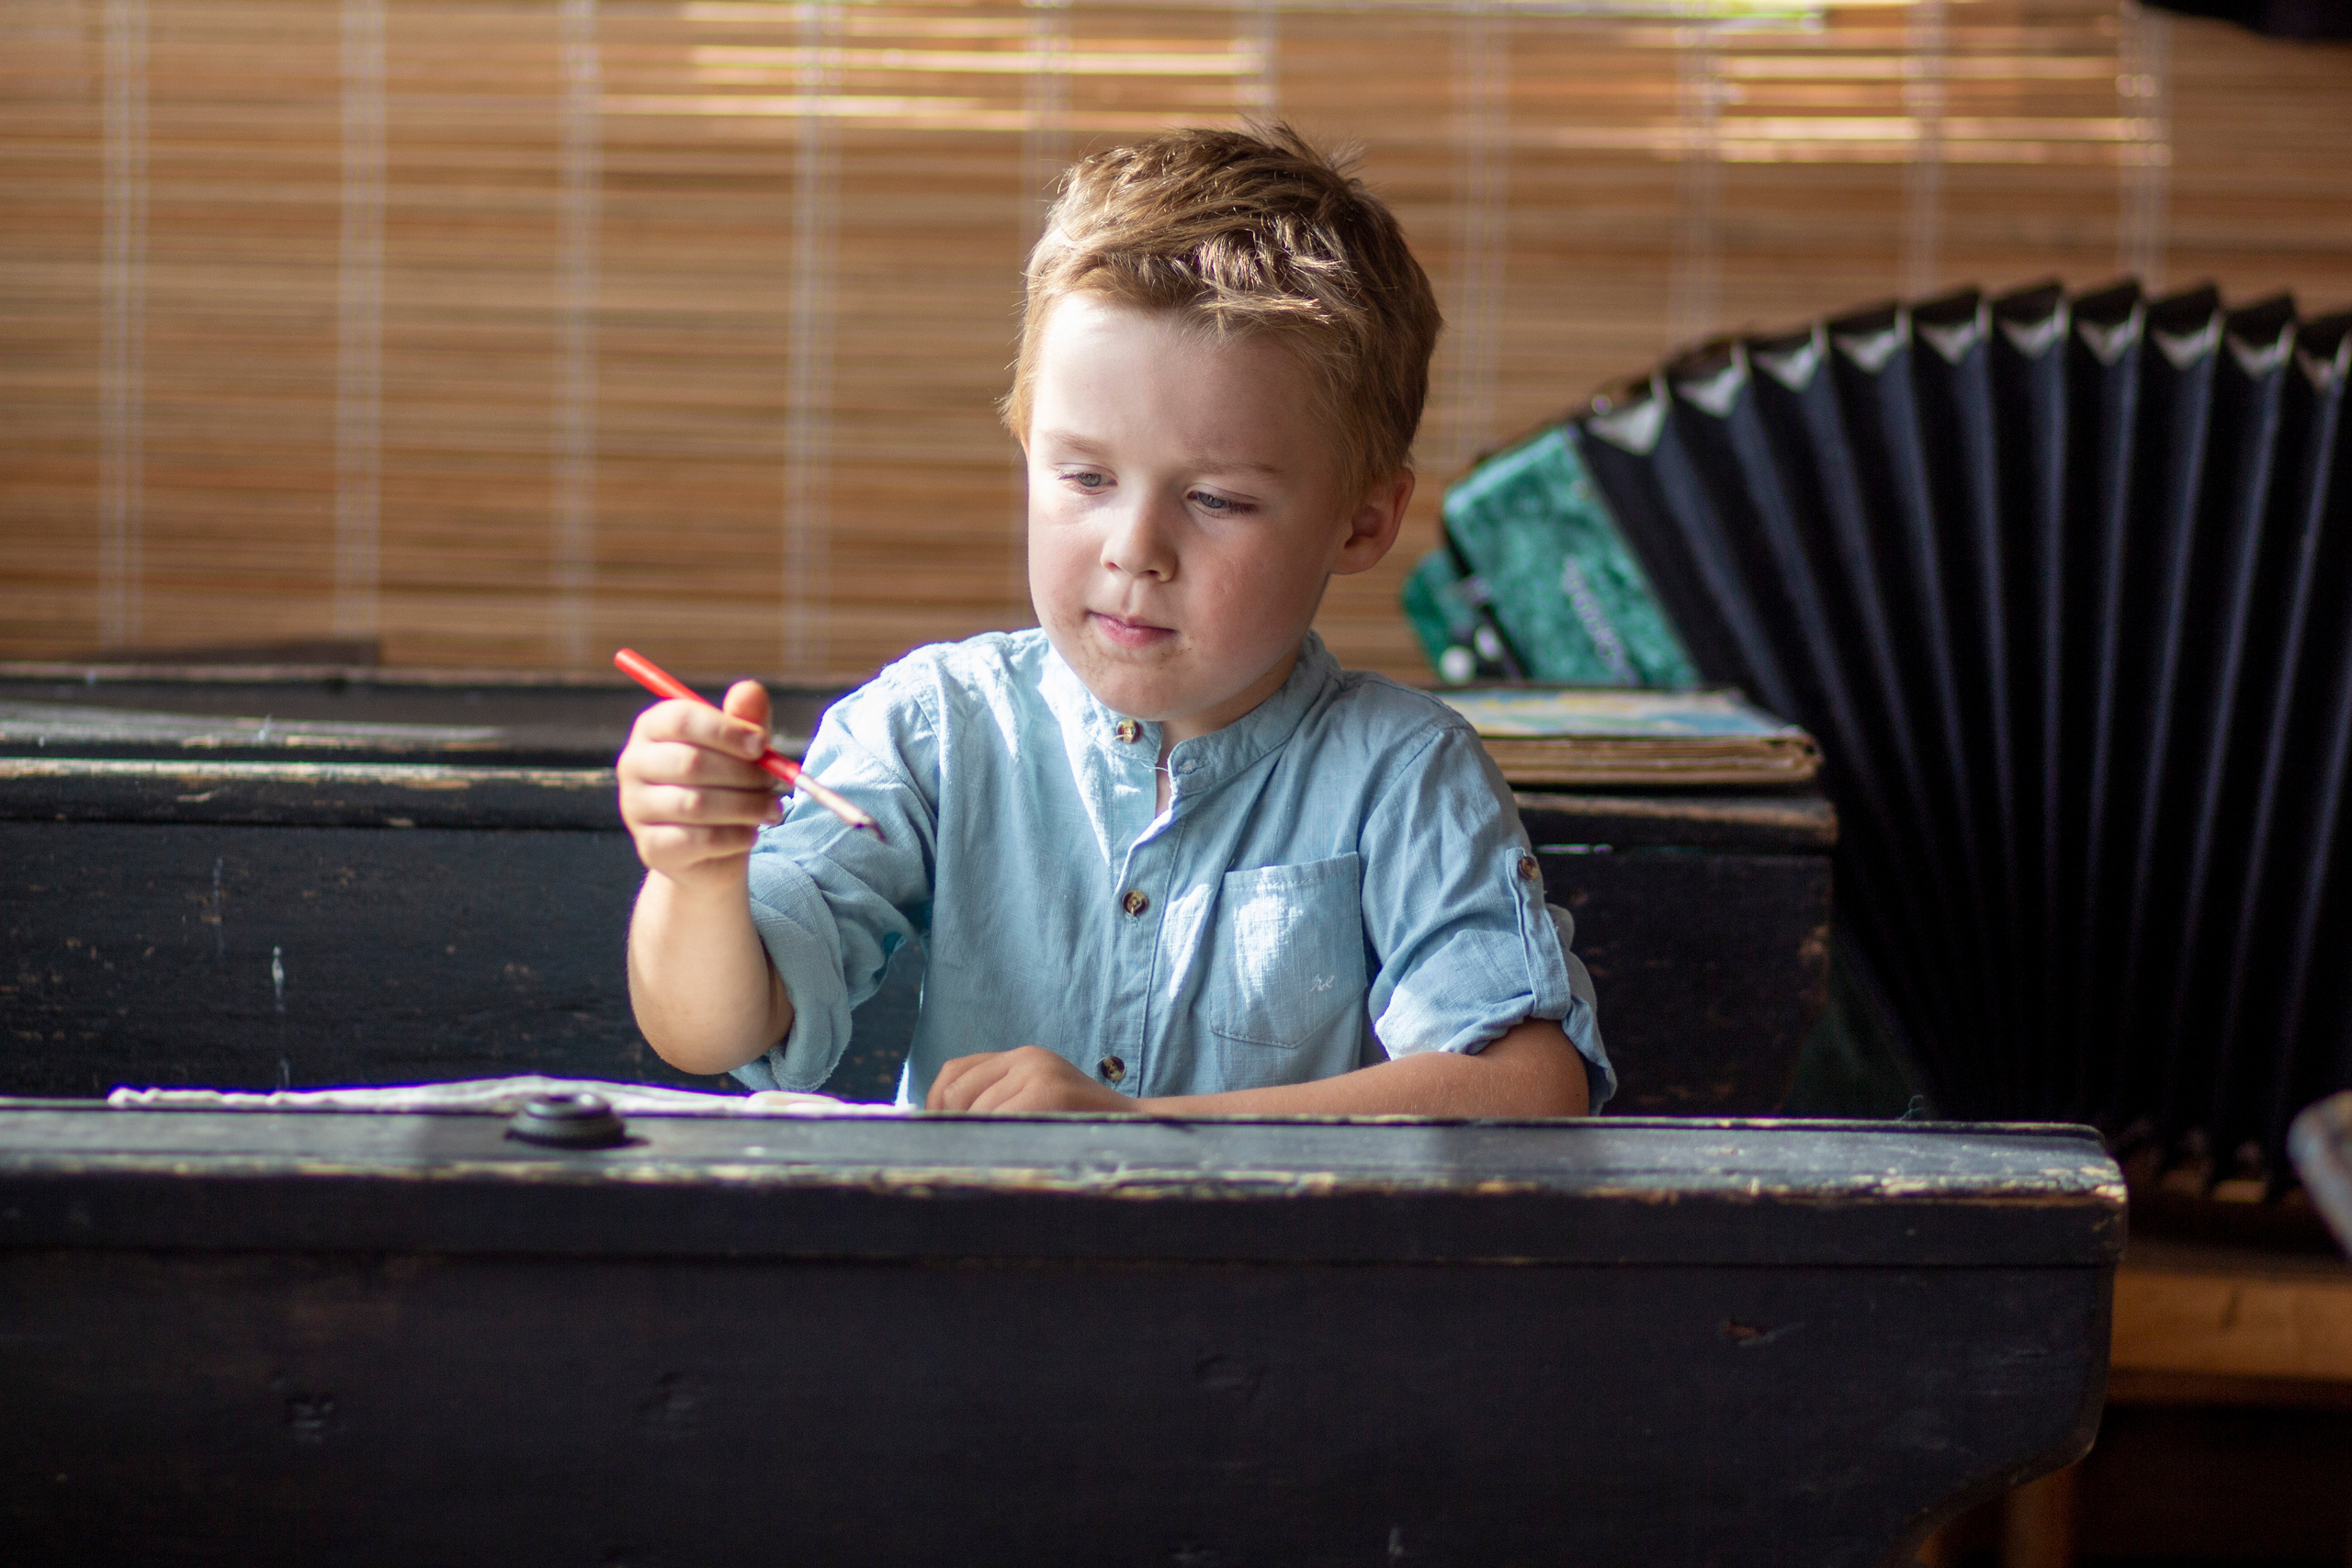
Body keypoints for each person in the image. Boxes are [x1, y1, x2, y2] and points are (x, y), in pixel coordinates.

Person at [616, 124, 1612, 1116]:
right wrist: (695, 876)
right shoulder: (935, 731)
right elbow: (717, 1034)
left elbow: (1529, 1087)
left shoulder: (1401, 774)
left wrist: (1145, 1128)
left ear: (1360, 522)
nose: (1134, 547)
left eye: (1216, 499)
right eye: (1085, 476)